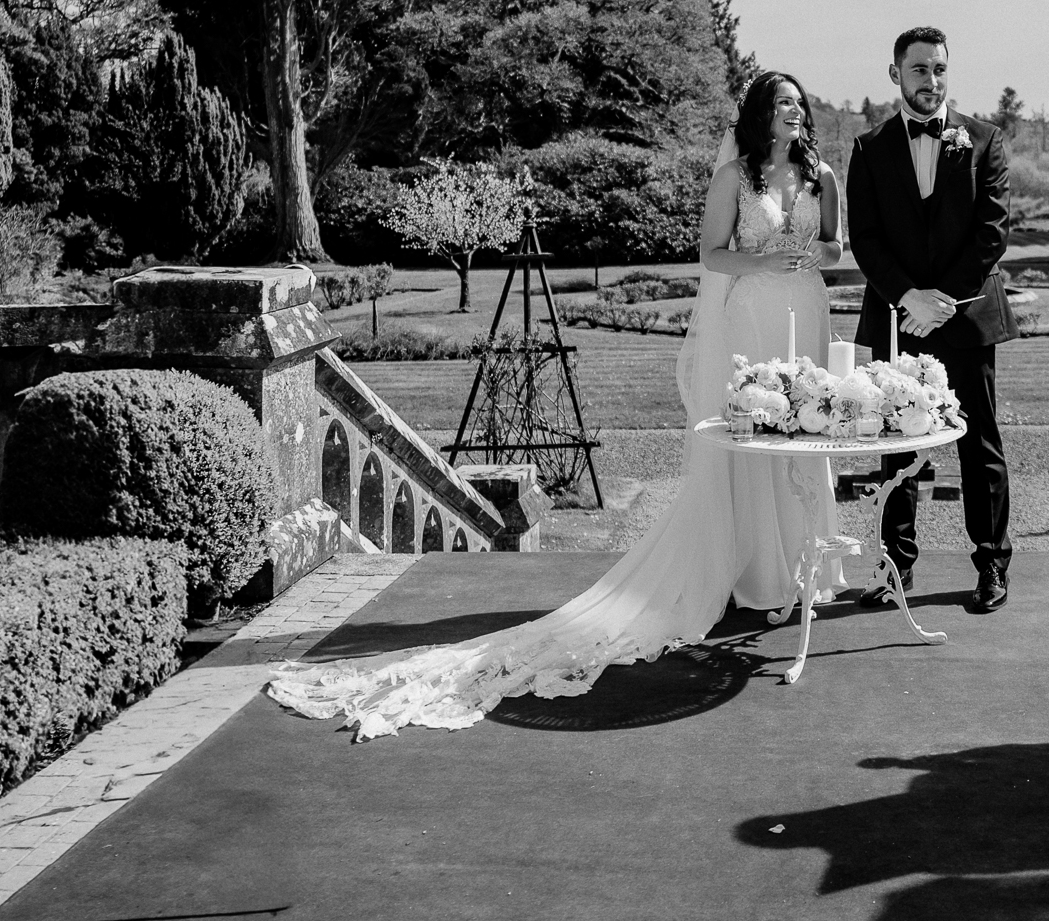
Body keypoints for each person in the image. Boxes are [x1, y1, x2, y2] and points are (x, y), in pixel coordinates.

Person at [266, 72, 848, 739]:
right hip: (752, 315)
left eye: (802, 104)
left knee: (802, 432)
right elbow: (710, 254)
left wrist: (808, 256)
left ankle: (803, 564)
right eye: (784, 104)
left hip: (804, 309)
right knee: (756, 437)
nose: (796, 114)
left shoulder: (821, 174)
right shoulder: (736, 177)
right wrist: (764, 262)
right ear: (760, 114)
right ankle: (756, 573)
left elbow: (835, 246)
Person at [846, 26, 1016, 614]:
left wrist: (939, 298)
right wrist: (908, 298)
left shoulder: (986, 140)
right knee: (894, 441)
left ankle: (991, 562)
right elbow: (864, 239)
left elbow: (992, 233)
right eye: (919, 69)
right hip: (897, 317)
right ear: (896, 74)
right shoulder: (868, 149)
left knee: (980, 443)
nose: (932, 79)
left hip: (966, 318)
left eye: (940, 68)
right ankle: (895, 567)